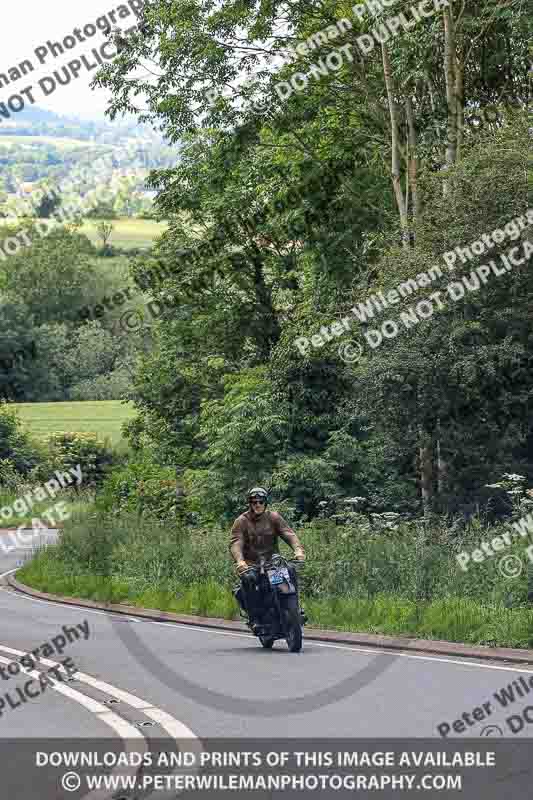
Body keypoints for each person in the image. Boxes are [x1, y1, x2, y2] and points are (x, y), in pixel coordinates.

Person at [229, 487, 305, 632]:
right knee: (249, 580)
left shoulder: (273, 517)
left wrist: (298, 550)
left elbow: (289, 534)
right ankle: (255, 618)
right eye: (254, 502)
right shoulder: (241, 521)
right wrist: (240, 561)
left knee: (290, 571)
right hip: (251, 564)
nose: (258, 504)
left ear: (266, 503)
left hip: (273, 563)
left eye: (261, 502)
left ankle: (295, 609)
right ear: (250, 504)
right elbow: (236, 542)